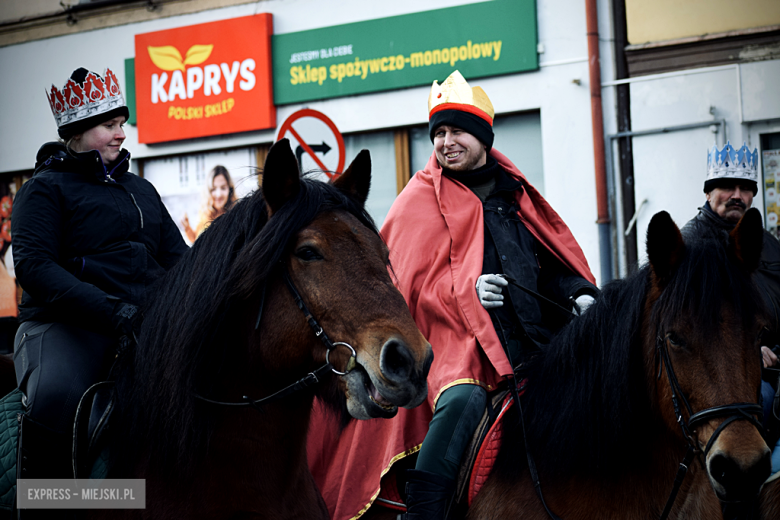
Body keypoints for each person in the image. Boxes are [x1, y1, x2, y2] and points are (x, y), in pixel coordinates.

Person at [307, 71, 598, 520]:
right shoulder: (416, 200)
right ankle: (425, 511)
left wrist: (579, 293)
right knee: (464, 399)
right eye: (439, 133)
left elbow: (551, 266)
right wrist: (467, 289)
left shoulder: (515, 194)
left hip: (535, 346)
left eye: (457, 130)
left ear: (483, 137)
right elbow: (399, 287)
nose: (446, 141)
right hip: (452, 345)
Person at [11, 67, 188, 483]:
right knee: (57, 396)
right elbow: (35, 268)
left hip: (144, 322)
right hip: (62, 326)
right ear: (78, 132)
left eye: (122, 124)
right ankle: (45, 505)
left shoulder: (142, 189)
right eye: (110, 125)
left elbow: (180, 261)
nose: (122, 133)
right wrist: (111, 310)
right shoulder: (43, 189)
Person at [681, 141, 780, 478]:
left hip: (775, 363)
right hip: (721, 377)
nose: (737, 195)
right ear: (710, 193)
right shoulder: (689, 248)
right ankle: (739, 497)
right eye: (727, 187)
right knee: (762, 403)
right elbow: (694, 329)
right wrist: (752, 351)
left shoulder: (767, 245)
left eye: (746, 188)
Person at [180, 165, 237, 243]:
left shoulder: (236, 215)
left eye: (223, 188)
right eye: (214, 189)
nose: (218, 194)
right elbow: (196, 241)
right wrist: (187, 228)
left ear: (230, 189)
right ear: (208, 191)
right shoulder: (204, 213)